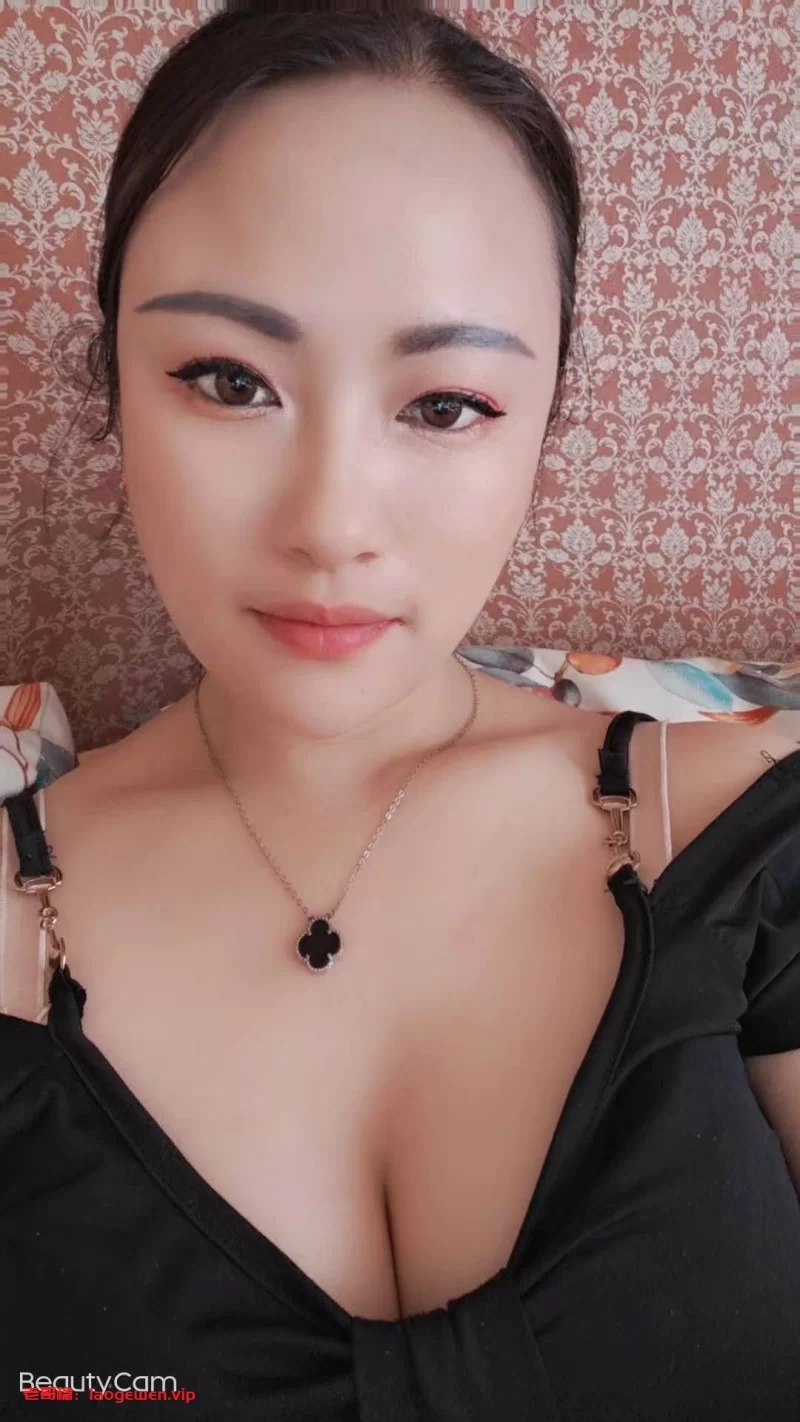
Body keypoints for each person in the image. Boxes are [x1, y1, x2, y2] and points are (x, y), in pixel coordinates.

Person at [2, 2, 798, 1418]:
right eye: (229, 381)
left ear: (545, 422)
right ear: (113, 386)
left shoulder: (745, 829)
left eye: (444, 406)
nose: (331, 523)